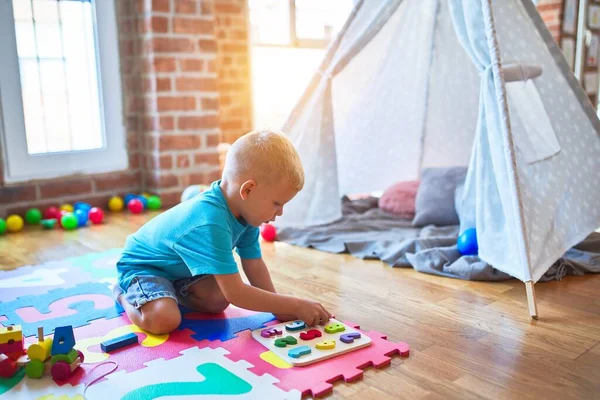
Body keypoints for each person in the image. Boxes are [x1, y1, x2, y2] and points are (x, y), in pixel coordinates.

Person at [113, 130, 332, 334]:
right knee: (165, 320)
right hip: (144, 267)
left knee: (218, 300)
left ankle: (168, 292)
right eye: (277, 203)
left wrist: (279, 308)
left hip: (182, 269)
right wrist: (294, 304)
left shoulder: (247, 213)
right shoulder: (210, 222)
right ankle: (123, 295)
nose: (280, 212)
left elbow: (253, 264)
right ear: (247, 190)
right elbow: (236, 293)